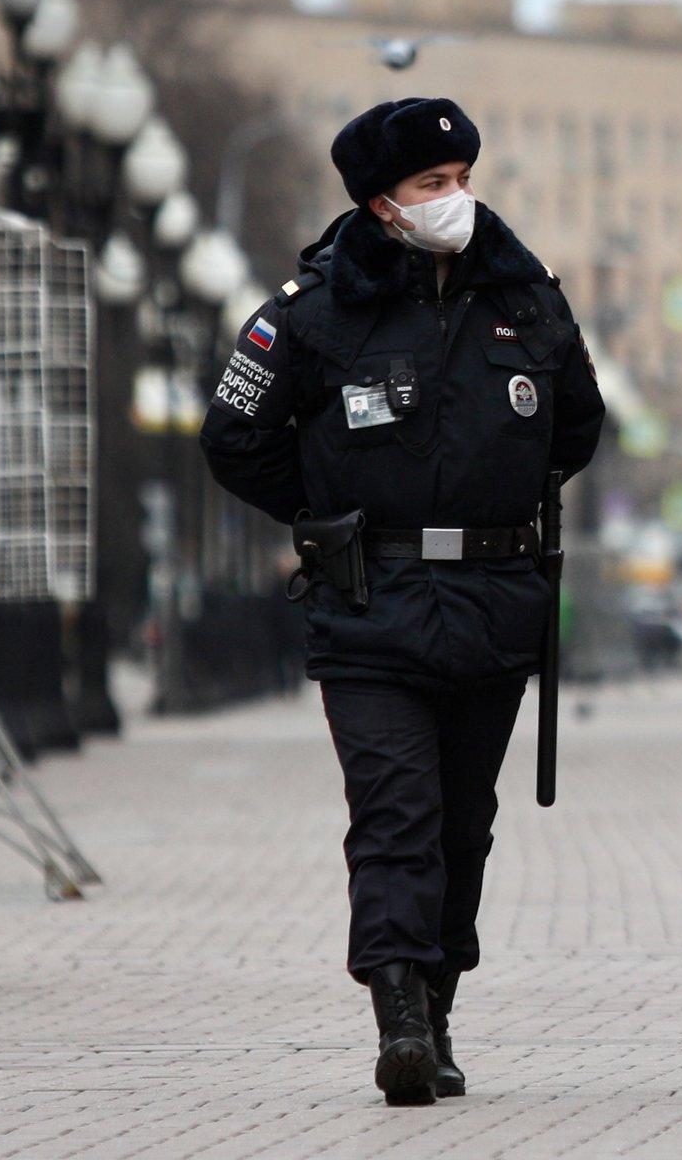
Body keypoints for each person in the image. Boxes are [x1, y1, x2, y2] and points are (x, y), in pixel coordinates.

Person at [204, 96, 604, 1108]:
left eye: (464, 178)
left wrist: (499, 500)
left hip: (492, 600)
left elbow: (577, 427)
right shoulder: (312, 307)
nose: (456, 199)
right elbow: (234, 437)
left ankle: (440, 999)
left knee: (463, 823)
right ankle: (398, 1017)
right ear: (382, 203)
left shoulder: (527, 296)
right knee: (395, 817)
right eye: (433, 186)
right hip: (369, 605)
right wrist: (323, 513)